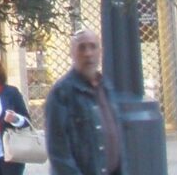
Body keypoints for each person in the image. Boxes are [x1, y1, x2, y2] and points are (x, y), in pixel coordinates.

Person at [45, 29, 123, 175]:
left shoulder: (106, 87)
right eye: (82, 48)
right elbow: (58, 152)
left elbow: (117, 139)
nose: (88, 53)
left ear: (100, 51)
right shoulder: (62, 93)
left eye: (93, 47)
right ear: (72, 53)